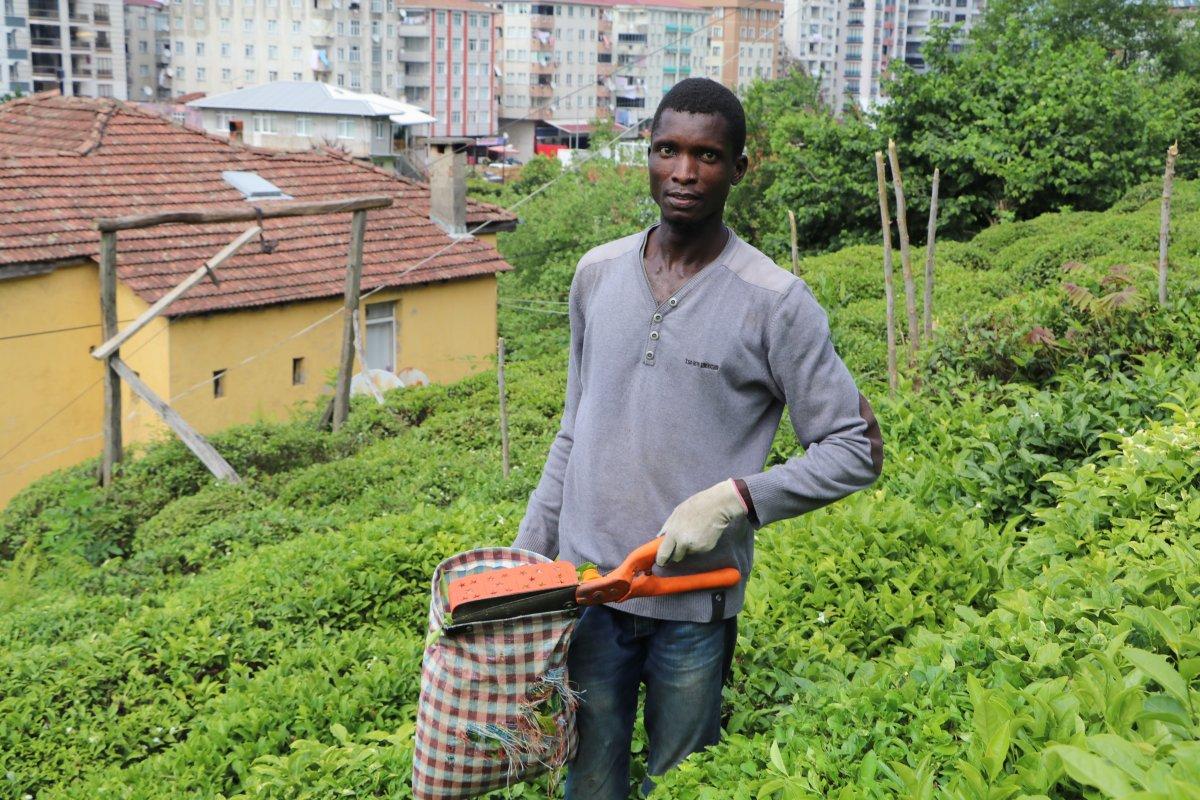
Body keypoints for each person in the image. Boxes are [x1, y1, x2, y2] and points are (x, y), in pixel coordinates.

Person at [513, 78, 884, 799]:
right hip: (590, 597)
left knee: (684, 782)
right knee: (586, 780)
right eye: (667, 150)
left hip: (695, 606)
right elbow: (572, 431)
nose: (684, 173)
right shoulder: (595, 275)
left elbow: (854, 448)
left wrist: (739, 498)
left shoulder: (775, 302)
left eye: (708, 156)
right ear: (645, 156)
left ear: (740, 168)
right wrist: (528, 566)